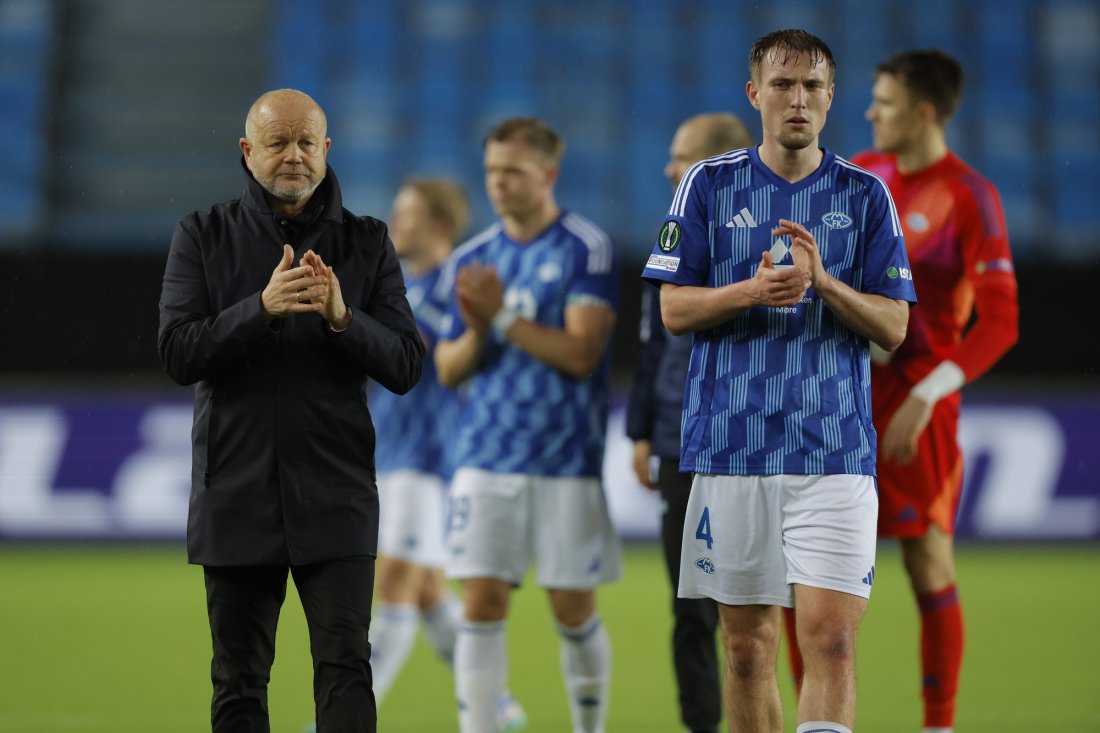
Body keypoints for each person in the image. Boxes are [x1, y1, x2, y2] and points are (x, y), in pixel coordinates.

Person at [641, 29, 917, 733]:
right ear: (754, 93)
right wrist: (751, 292)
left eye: (812, 86)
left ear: (831, 97)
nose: (797, 99)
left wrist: (825, 282)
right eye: (783, 84)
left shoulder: (866, 196)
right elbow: (673, 307)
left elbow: (893, 326)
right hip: (731, 451)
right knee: (744, 649)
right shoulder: (707, 184)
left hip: (832, 451)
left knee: (830, 638)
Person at [157, 88, 424, 733]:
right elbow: (178, 353)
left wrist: (343, 318)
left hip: (335, 494)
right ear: (248, 152)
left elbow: (406, 365)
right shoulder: (201, 234)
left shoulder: (367, 242)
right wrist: (261, 308)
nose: (294, 156)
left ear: (327, 150)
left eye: (307, 142)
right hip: (237, 493)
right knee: (239, 681)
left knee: (345, 670)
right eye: (278, 143)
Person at [795, 49, 1017, 733]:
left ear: (923, 112)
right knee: (798, 567)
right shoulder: (863, 174)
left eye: (883, 101)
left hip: (917, 398)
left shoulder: (968, 195)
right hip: (842, 394)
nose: (869, 112)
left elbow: (1001, 320)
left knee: (927, 561)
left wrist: (929, 395)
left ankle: (938, 725)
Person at [435, 117, 622, 733]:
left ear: (548, 173)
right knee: (480, 605)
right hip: (484, 457)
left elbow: (581, 354)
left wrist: (503, 314)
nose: (498, 184)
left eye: (512, 172)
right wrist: (481, 328)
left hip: (566, 462)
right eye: (491, 171)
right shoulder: (470, 259)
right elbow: (447, 369)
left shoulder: (585, 248)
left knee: (572, 612)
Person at [332, 178, 524, 732]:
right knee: (425, 589)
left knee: (393, 579)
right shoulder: (402, 284)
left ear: (439, 225)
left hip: (433, 455)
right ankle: (501, 707)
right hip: (391, 451)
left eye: (408, 214)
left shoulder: (460, 286)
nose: (395, 222)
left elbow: (468, 358)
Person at [625, 112, 754, 733]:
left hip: (759, 444)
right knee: (692, 609)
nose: (670, 169)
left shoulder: (768, 237)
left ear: (718, 164)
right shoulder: (674, 235)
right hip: (683, 445)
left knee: (765, 614)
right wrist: (641, 432)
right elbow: (654, 344)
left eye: (682, 158)